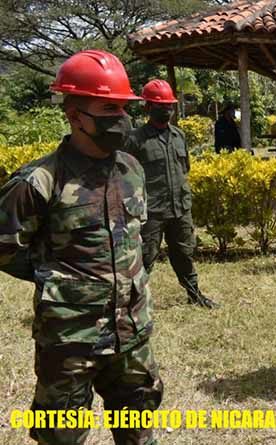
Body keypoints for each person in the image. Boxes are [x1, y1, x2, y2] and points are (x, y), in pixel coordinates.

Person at [0, 50, 162, 444]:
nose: (121, 119)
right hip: (71, 341)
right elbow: (4, 245)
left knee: (137, 432)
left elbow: (139, 240)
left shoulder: (131, 169)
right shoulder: (39, 181)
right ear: (74, 114)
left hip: (132, 334)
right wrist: (59, 279)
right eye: (109, 108)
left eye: (124, 108)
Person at [125, 79, 219, 309]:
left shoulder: (179, 135)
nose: (166, 110)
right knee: (145, 257)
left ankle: (194, 294)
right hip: (151, 211)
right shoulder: (135, 140)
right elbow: (126, 177)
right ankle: (131, 303)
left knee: (184, 253)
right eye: (160, 106)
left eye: (169, 106)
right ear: (147, 107)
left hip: (179, 207)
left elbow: (184, 168)